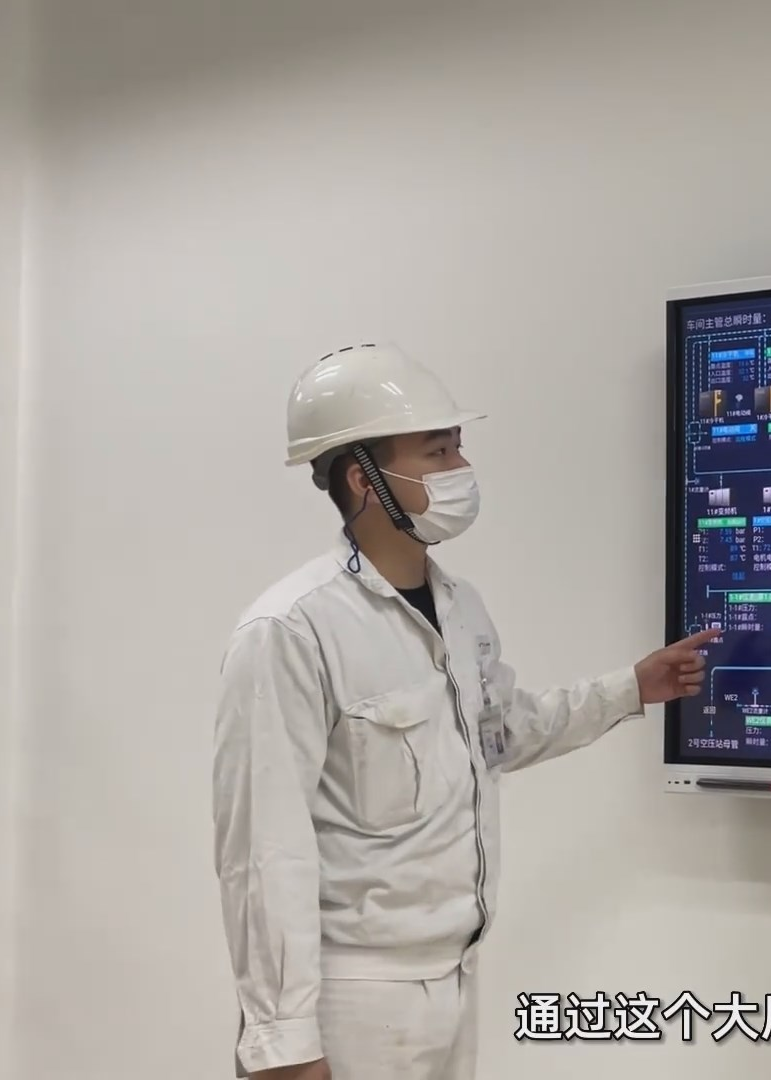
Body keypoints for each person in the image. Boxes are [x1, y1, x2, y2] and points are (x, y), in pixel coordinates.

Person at [211, 342, 720, 1080]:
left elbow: (500, 732)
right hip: (352, 996)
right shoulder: (292, 630)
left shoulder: (459, 609)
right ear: (363, 479)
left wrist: (632, 687)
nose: (461, 468)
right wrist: (283, 1043)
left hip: (453, 977)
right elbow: (263, 848)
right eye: (438, 451)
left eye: (457, 446)